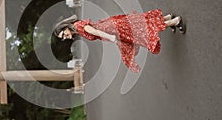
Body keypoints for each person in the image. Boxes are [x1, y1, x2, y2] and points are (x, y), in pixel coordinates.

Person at [53, 9, 185, 73]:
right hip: (112, 27)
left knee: (142, 31)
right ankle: (167, 19)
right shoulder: (76, 28)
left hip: (114, 30)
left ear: (65, 27)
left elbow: (94, 31)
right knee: (140, 24)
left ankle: (175, 21)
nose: (65, 38)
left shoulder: (78, 27)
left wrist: (112, 38)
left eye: (64, 34)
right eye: (63, 38)